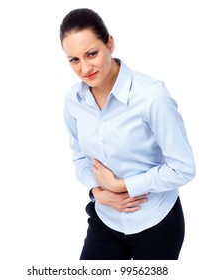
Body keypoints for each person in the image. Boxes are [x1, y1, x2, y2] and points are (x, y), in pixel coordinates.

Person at [59, 8, 196, 260]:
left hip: (156, 221)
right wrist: (97, 192)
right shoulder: (73, 100)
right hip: (105, 219)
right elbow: (79, 156)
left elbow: (183, 168)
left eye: (91, 54)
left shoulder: (152, 96)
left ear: (109, 43)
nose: (85, 68)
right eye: (74, 60)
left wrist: (120, 186)